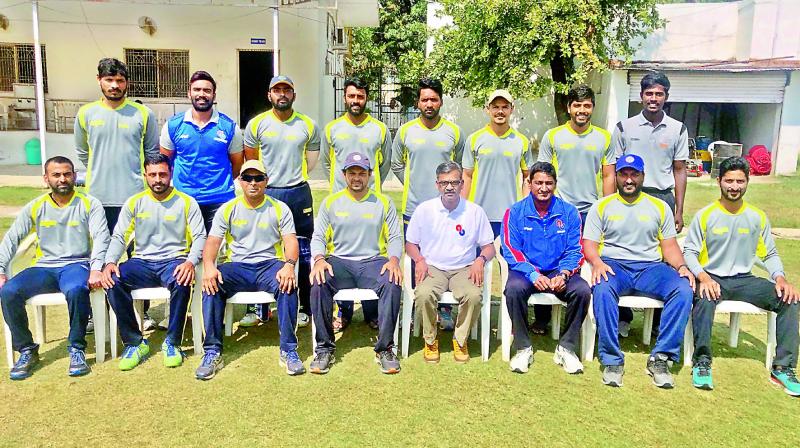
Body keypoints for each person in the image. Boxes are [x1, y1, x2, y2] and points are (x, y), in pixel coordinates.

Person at [684, 157, 799, 395]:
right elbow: (690, 253)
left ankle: (783, 368)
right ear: (719, 182)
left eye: (740, 181)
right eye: (729, 181)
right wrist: (703, 277)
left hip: (744, 280)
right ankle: (702, 362)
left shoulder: (757, 217)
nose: (734, 186)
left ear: (747, 182)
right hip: (712, 277)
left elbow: (770, 254)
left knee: (789, 298)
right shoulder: (706, 215)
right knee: (704, 299)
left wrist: (780, 277)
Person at [584, 154, 695, 389]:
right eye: (623, 174)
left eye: (634, 174)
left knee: (683, 289)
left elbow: (670, 247)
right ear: (616, 176)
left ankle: (661, 357)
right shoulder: (602, 206)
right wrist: (596, 262)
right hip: (614, 265)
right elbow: (589, 244)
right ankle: (612, 360)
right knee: (602, 289)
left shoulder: (660, 207)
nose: (629, 179)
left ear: (643, 176)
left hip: (650, 267)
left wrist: (682, 267)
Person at [0, 156, 110, 380]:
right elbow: (12, 238)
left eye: (67, 174)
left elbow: (101, 237)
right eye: (56, 175)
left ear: (74, 176)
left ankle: (76, 348)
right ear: (46, 178)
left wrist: (96, 267)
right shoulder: (36, 206)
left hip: (75, 264)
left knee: (77, 289)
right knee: (9, 291)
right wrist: (0, 268)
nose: (62, 179)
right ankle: (27, 349)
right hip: (43, 267)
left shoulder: (89, 203)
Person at [195, 159, 303, 380]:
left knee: (288, 284)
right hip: (238, 266)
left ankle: (289, 350)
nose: (253, 183)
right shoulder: (228, 208)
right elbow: (213, 242)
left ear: (266, 181)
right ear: (240, 181)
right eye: (247, 178)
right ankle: (212, 351)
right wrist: (208, 267)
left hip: (269, 265)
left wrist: (289, 266)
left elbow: (291, 241)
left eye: (258, 178)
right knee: (211, 283)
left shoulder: (279, 208)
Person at [75, 58, 160, 332]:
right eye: (109, 80)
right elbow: (82, 153)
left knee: (137, 257)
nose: (115, 85)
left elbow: (151, 154)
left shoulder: (142, 114)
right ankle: (92, 314)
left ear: (127, 83)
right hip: (97, 199)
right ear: (99, 81)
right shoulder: (86, 114)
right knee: (95, 257)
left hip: (133, 199)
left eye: (120, 81)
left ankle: (140, 312)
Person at [102, 154, 207, 371]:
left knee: (182, 279)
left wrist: (189, 262)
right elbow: (120, 236)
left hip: (174, 260)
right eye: (152, 175)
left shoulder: (187, 202)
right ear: (145, 176)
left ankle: (173, 342)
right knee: (112, 279)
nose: (158, 179)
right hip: (142, 262)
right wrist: (110, 261)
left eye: (162, 174)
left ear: (170, 174)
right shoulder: (135, 202)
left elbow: (199, 237)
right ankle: (135, 342)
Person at [308, 152, 403, 375]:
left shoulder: (383, 202)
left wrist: (394, 260)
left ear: (370, 175)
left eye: (362, 173)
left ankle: (385, 348)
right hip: (340, 261)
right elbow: (319, 237)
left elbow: (396, 238)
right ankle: (324, 348)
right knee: (319, 281)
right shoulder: (331, 202)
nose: (357, 178)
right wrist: (319, 259)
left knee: (392, 280)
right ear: (344, 175)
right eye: (352, 173)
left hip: (372, 261)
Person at [610, 72, 689, 338]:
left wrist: (678, 209)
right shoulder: (624, 127)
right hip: (628, 197)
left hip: (661, 197)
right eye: (649, 93)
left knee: (665, 259)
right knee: (622, 253)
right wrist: (611, 203)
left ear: (666, 97)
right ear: (641, 96)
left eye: (659, 94)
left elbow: (679, 170)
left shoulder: (677, 128)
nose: (653, 99)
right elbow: (612, 170)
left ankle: (656, 321)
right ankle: (623, 316)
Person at [532, 84, 615, 336]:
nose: (582, 110)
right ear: (569, 108)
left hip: (590, 211)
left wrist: (608, 208)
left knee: (584, 263)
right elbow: (542, 174)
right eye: (577, 105)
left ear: (592, 108)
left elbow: (608, 175)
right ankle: (542, 318)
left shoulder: (604, 138)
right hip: (558, 210)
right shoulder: (553, 136)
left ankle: (579, 316)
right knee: (549, 259)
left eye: (587, 105)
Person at [241, 75, 319, 329]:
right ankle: (260, 308)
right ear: (269, 95)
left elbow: (311, 160)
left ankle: (304, 306)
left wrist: (294, 178)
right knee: (262, 247)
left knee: (303, 250)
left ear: (294, 95)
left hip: (297, 193)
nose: (282, 94)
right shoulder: (257, 124)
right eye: (277, 90)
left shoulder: (308, 124)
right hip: (268, 193)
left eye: (287, 90)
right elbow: (252, 164)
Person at [501, 162, 590, 375]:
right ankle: (523, 347)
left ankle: (566, 347)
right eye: (538, 182)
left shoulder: (569, 212)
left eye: (548, 183)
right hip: (526, 271)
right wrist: (532, 273)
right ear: (529, 183)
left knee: (583, 291)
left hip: (558, 271)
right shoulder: (515, 212)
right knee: (513, 289)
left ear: (555, 185)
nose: (543, 188)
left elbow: (575, 249)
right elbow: (511, 249)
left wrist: (564, 273)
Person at [391, 77, 465, 332]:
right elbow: (396, 164)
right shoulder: (405, 131)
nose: (429, 104)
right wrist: (412, 186)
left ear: (441, 102)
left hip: (447, 211)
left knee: (444, 258)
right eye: (425, 99)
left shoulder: (454, 132)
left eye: (434, 99)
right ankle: (416, 308)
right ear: (418, 102)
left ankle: (444, 310)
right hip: (414, 209)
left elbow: (460, 170)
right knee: (417, 260)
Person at [405, 161, 495, 364]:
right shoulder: (424, 210)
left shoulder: (474, 211)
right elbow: (410, 243)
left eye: (454, 182)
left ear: (462, 184)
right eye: (444, 183)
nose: (449, 187)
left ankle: (460, 339)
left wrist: (480, 260)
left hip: (464, 268)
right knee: (424, 293)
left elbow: (489, 247)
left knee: (473, 295)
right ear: (437, 184)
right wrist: (418, 259)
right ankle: (430, 339)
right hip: (432, 267)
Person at [321, 77, 392, 329]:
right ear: (345, 98)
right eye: (351, 96)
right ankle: (345, 313)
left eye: (360, 97)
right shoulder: (331, 129)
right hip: (341, 203)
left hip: (370, 202)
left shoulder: (380, 129)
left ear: (366, 98)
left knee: (371, 254)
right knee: (341, 254)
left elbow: (384, 163)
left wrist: (370, 185)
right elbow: (328, 163)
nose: (355, 101)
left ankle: (372, 314)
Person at [160, 70, 244, 233]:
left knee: (217, 255)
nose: (201, 94)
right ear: (189, 93)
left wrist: (217, 185)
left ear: (214, 95)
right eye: (197, 90)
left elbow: (237, 165)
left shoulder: (229, 127)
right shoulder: (173, 125)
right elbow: (165, 163)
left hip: (220, 201)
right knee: (185, 254)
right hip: (184, 200)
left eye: (207, 90)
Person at [462, 89, 532, 238]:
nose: (500, 111)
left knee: (509, 261)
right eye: (495, 107)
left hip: (510, 216)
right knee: (478, 260)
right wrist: (461, 207)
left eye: (505, 107)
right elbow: (467, 176)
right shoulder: (474, 139)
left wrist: (526, 208)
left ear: (512, 109)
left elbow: (528, 177)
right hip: (479, 214)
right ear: (488, 109)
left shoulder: (522, 141)